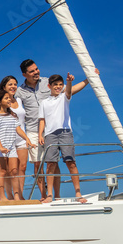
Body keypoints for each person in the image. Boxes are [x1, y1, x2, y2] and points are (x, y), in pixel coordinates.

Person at [38, 73, 90, 203]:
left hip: (65, 132)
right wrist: (40, 134)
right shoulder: (44, 102)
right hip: (50, 134)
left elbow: (70, 90)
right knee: (50, 164)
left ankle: (78, 193)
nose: (58, 87)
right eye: (55, 85)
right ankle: (49, 194)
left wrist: (87, 79)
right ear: (49, 86)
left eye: (61, 85)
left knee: (70, 162)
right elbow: (42, 120)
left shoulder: (64, 97)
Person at [16, 59, 58, 199]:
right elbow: (6, 101)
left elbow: (68, 92)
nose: (36, 72)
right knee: (37, 164)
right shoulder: (20, 91)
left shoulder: (48, 82)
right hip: (33, 130)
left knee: (52, 162)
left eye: (36, 69)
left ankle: (55, 195)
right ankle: (43, 195)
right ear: (24, 74)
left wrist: (89, 79)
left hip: (51, 129)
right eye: (32, 71)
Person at [0, 89, 33, 201]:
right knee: (2, 171)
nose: (9, 99)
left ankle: (17, 196)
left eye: (9, 98)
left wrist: (27, 139)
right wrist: (0, 147)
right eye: (6, 98)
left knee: (14, 171)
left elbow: (18, 129)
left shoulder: (12, 116)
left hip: (11, 146)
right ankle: (2, 197)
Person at [1, 76, 29, 196]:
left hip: (21, 137)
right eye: (10, 84)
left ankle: (20, 195)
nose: (13, 87)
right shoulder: (2, 102)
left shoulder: (19, 100)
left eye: (15, 84)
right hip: (8, 139)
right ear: (4, 87)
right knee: (9, 170)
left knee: (22, 168)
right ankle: (10, 195)